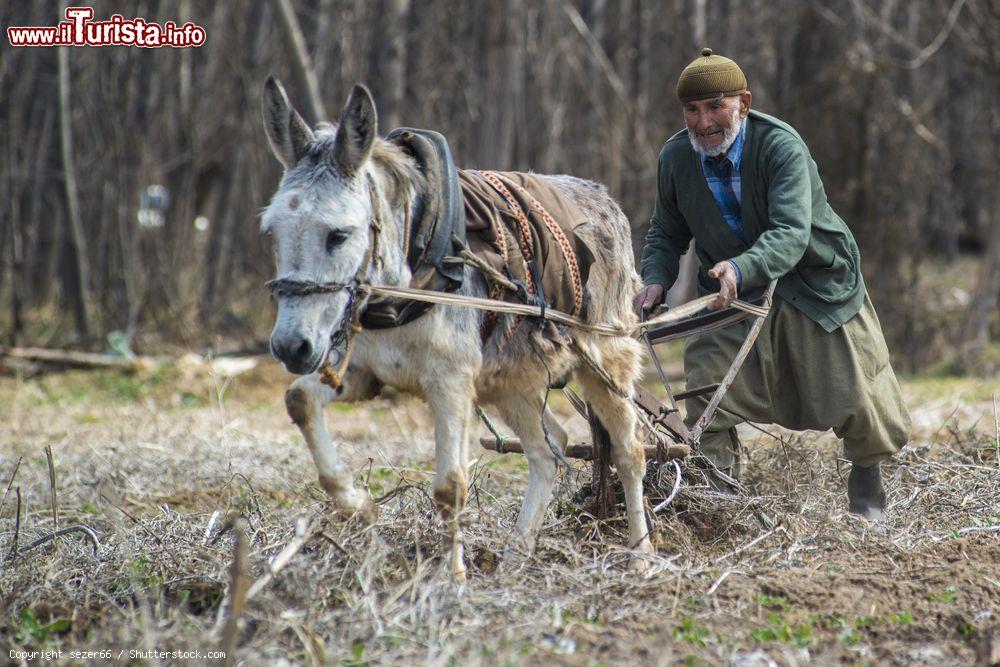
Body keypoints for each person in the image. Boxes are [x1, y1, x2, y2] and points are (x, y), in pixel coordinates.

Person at [634, 48, 911, 520]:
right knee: (705, 398)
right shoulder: (677, 156)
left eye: (715, 106)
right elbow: (666, 231)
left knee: (854, 397)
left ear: (744, 101)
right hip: (732, 298)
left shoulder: (781, 146)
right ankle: (718, 502)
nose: (703, 122)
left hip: (811, 286)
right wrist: (655, 280)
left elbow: (790, 233)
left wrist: (741, 267)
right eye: (692, 109)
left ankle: (867, 486)